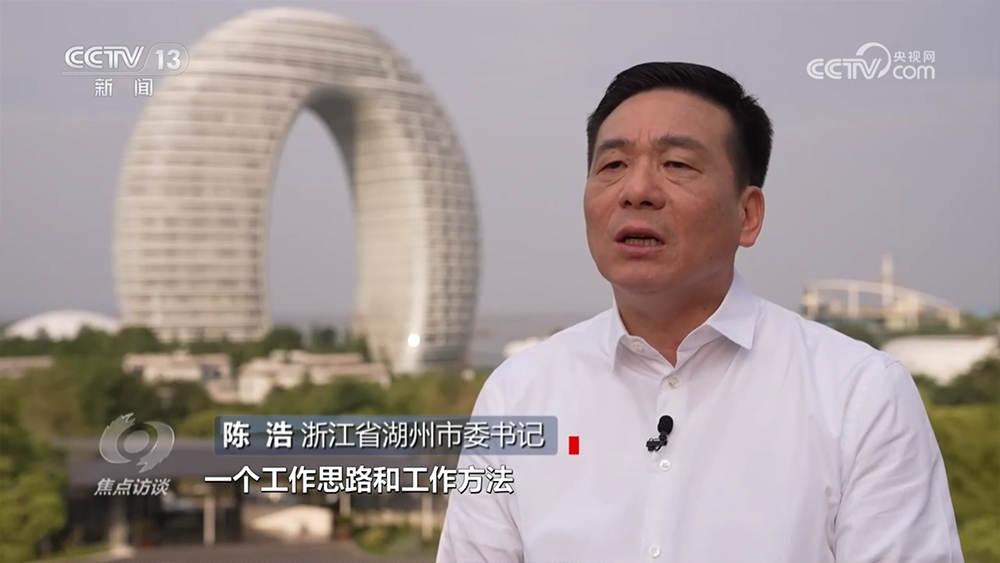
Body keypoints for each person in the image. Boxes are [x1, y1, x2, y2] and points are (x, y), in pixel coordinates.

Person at [436, 62, 964, 563]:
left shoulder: (859, 394)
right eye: (613, 165)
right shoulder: (516, 396)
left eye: (677, 165)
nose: (637, 191)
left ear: (748, 214)